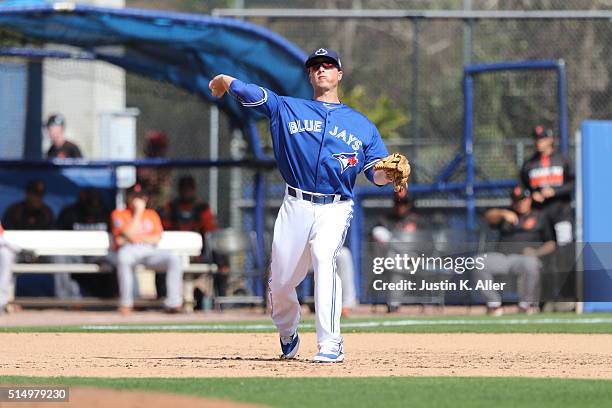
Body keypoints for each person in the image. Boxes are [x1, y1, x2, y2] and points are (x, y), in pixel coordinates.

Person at [209, 47, 409, 362]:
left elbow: (375, 174)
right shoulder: (288, 108)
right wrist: (225, 79)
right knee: (280, 282)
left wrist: (389, 172)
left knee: (324, 258)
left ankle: (331, 344)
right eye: (315, 66)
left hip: (336, 206)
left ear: (339, 74)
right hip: (295, 205)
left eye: (328, 65)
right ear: (309, 75)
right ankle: (288, 331)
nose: (321, 70)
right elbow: (255, 93)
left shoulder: (362, 125)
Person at [475, 186, 556, 316]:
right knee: (479, 261)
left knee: (531, 263)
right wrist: (503, 213)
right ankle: (494, 305)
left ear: (529, 199)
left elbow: (551, 244)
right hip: (503, 257)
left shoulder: (540, 216)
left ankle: (526, 305)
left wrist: (536, 253)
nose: (520, 203)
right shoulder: (506, 214)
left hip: (525, 258)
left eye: (523, 199)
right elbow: (488, 216)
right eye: (517, 200)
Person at [111, 184, 183, 315]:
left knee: (174, 259)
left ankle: (174, 303)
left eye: (141, 197)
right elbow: (126, 235)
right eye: (135, 196)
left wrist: (136, 237)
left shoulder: (151, 214)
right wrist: (138, 212)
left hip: (150, 250)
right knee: (123, 258)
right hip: (130, 250)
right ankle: (126, 303)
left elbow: (156, 238)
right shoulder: (119, 213)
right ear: (128, 197)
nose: (138, 200)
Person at [160, 175, 229, 299]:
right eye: (184, 189)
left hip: (199, 253)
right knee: (160, 261)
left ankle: (221, 298)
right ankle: (163, 297)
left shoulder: (202, 208)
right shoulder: (170, 207)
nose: (186, 192)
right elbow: (164, 230)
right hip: (174, 252)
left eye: (189, 188)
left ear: (194, 189)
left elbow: (211, 231)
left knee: (220, 257)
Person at [371, 191, 429, 312]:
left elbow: (426, 243)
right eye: (398, 203)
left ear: (408, 204)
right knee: (381, 235)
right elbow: (373, 237)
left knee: (398, 262)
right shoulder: (385, 220)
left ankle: (393, 304)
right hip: (392, 259)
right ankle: (393, 304)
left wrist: (419, 254)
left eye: (403, 203)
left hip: (414, 259)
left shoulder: (417, 220)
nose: (400, 206)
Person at [56, 188, 116, 298]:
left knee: (122, 259)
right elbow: (58, 236)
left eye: (96, 201)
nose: (93, 204)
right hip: (75, 254)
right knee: (59, 259)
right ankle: (65, 299)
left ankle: (120, 298)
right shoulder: (70, 213)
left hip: (100, 254)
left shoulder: (107, 213)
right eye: (90, 201)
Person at [520, 126, 574, 246]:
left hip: (561, 210)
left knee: (564, 244)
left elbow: (573, 182)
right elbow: (524, 186)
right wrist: (533, 194)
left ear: (550, 139)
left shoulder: (563, 159)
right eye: (536, 139)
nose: (539, 142)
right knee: (544, 246)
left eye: (542, 139)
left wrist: (555, 191)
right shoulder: (529, 163)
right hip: (539, 211)